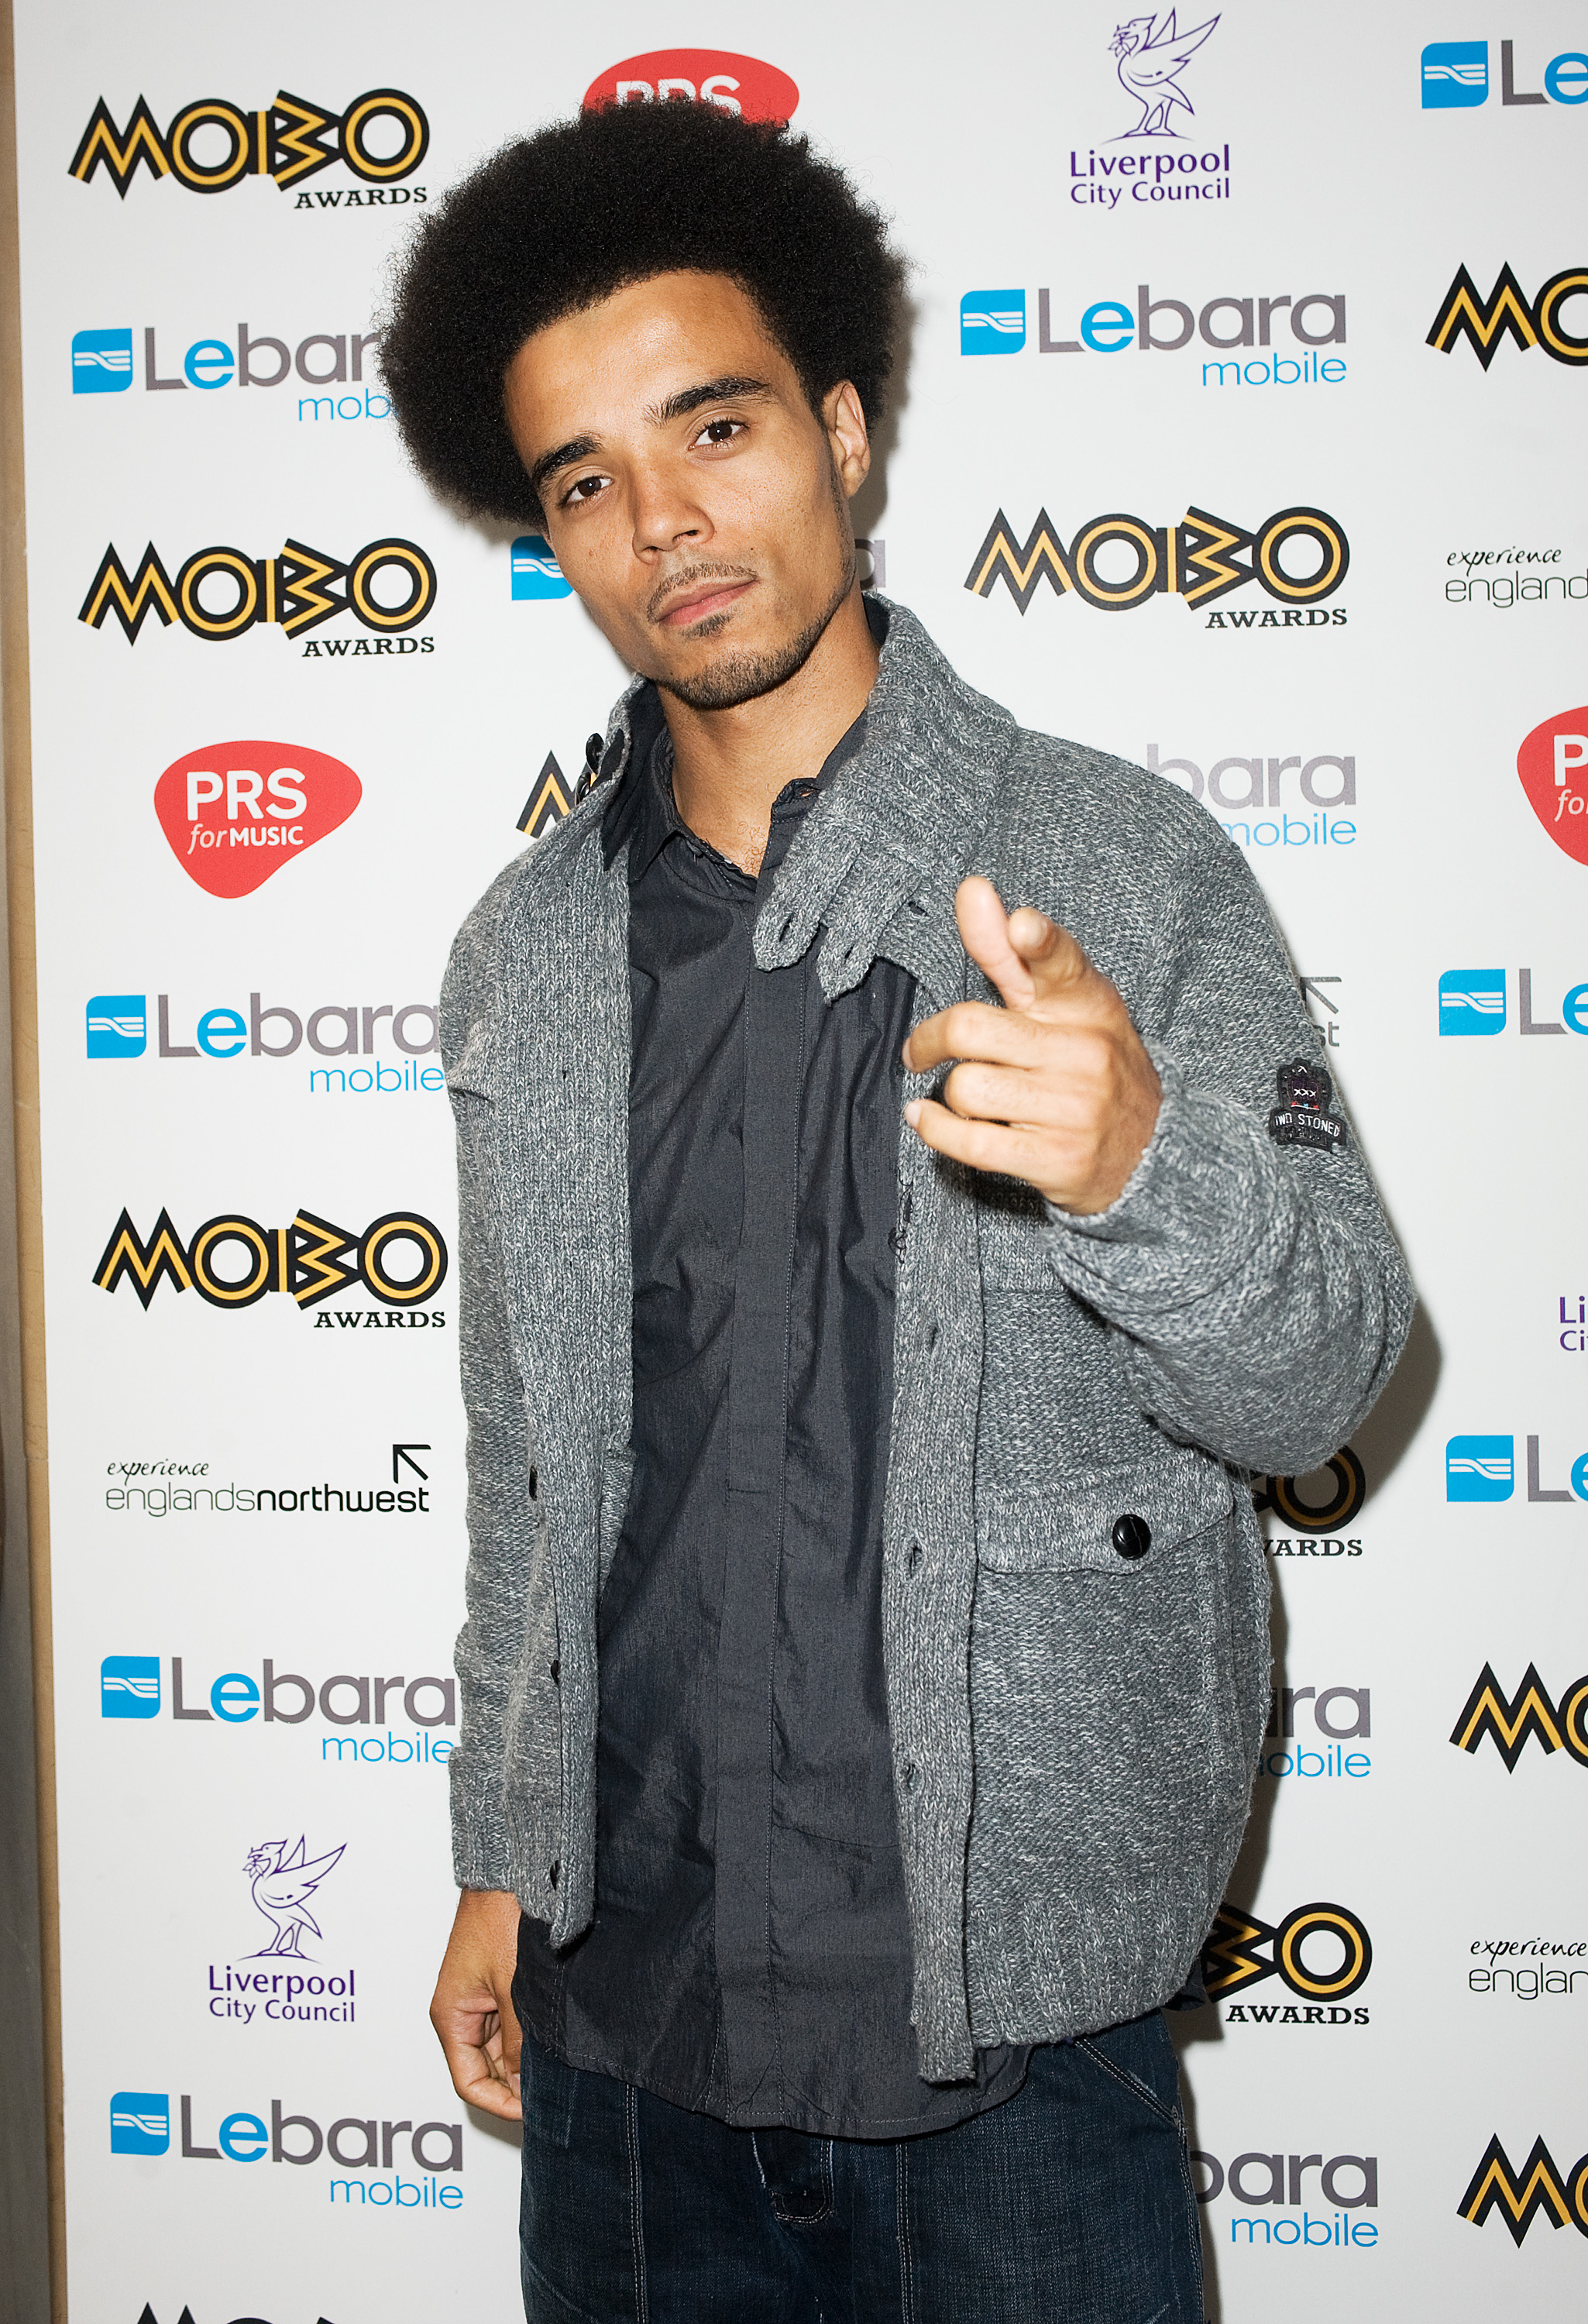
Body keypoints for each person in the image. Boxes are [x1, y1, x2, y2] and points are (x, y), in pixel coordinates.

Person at [382, 98, 1411, 2324]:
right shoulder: (524, 953)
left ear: (842, 432)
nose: (663, 521)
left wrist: (1142, 1170)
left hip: (1012, 2036)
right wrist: (497, 1850)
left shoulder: (1116, 868)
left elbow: (1329, 1366)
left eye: (716, 425)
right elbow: (525, 1467)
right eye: (583, 479)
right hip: (625, 2016)